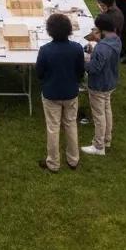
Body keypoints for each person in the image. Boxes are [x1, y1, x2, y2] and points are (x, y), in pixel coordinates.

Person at [35, 13, 85, 172]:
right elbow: (80, 71)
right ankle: (73, 159)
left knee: (53, 127)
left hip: (51, 93)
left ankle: (53, 163)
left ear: (50, 31)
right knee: (71, 124)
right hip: (70, 92)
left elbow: (39, 72)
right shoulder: (77, 48)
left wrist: (46, 82)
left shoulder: (45, 50)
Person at [81, 13, 121, 156]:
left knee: (99, 116)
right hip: (110, 82)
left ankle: (98, 146)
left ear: (102, 29)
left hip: (98, 85)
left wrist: (83, 61)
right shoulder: (116, 40)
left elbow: (93, 69)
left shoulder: (101, 48)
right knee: (106, 110)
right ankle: (107, 139)